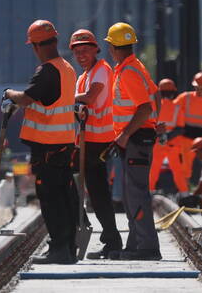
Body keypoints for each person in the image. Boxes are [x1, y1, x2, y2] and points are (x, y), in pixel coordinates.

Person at [4, 20, 80, 265]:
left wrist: (8, 93)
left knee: (51, 198)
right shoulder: (67, 68)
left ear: (35, 46)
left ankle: (59, 249)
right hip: (65, 144)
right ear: (55, 41)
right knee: (64, 196)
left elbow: (26, 98)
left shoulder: (47, 71)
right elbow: (47, 100)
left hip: (48, 147)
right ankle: (67, 247)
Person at [106, 22, 161, 261]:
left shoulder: (129, 72)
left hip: (135, 140)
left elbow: (145, 107)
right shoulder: (131, 68)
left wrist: (125, 134)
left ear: (112, 47)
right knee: (130, 194)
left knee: (136, 194)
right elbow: (155, 95)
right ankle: (135, 243)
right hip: (136, 139)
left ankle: (147, 247)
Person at [70, 28, 122, 260]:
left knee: (98, 193)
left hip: (99, 141)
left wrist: (64, 98)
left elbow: (90, 98)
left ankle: (111, 241)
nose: (81, 55)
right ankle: (106, 238)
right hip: (86, 141)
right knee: (84, 188)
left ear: (95, 50)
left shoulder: (102, 71)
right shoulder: (83, 76)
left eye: (85, 50)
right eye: (77, 51)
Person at [149, 78, 189, 195]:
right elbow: (181, 128)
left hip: (157, 143)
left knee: (153, 170)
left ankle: (149, 193)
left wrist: (161, 136)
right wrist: (168, 136)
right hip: (173, 144)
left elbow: (150, 125)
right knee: (177, 171)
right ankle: (185, 195)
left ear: (159, 92)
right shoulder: (177, 108)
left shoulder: (154, 107)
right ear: (173, 92)